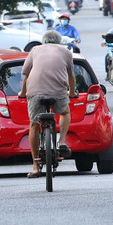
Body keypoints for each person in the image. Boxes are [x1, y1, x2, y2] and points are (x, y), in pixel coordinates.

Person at [18, 30, 78, 178]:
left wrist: (22, 93)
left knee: (33, 124)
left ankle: (35, 166)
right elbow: (71, 76)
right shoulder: (66, 51)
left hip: (35, 90)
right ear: (59, 41)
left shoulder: (35, 50)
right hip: (58, 91)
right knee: (64, 112)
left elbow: (26, 76)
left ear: (44, 41)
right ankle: (62, 141)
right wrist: (71, 93)